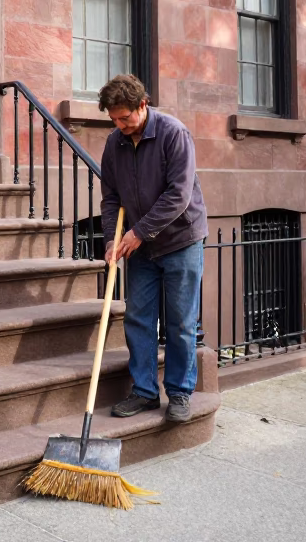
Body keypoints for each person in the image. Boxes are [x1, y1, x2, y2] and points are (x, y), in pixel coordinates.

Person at [97, 74, 208, 423]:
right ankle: (144, 392)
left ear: (142, 105)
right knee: (139, 318)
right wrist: (113, 238)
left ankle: (178, 393)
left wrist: (139, 232)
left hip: (180, 240)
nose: (119, 125)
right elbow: (111, 198)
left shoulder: (174, 134)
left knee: (179, 323)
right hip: (139, 246)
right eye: (114, 119)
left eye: (124, 117)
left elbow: (179, 194)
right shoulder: (114, 144)